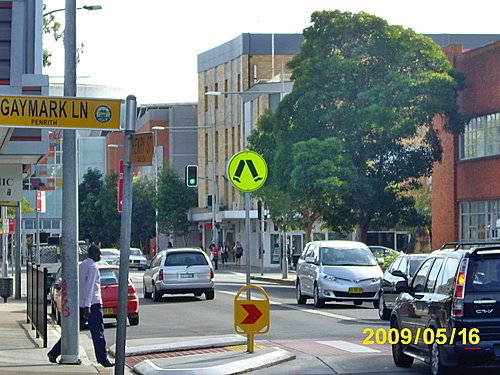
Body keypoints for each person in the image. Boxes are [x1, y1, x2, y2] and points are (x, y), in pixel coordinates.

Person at [48, 244, 114, 367]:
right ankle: (103, 359)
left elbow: (81, 285)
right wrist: (87, 306)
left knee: (72, 331)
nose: (100, 256)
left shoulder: (82, 265)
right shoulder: (93, 267)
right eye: (99, 254)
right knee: (98, 333)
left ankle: (54, 352)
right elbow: (89, 287)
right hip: (93, 304)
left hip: (81, 303)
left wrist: (83, 304)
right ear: (93, 254)